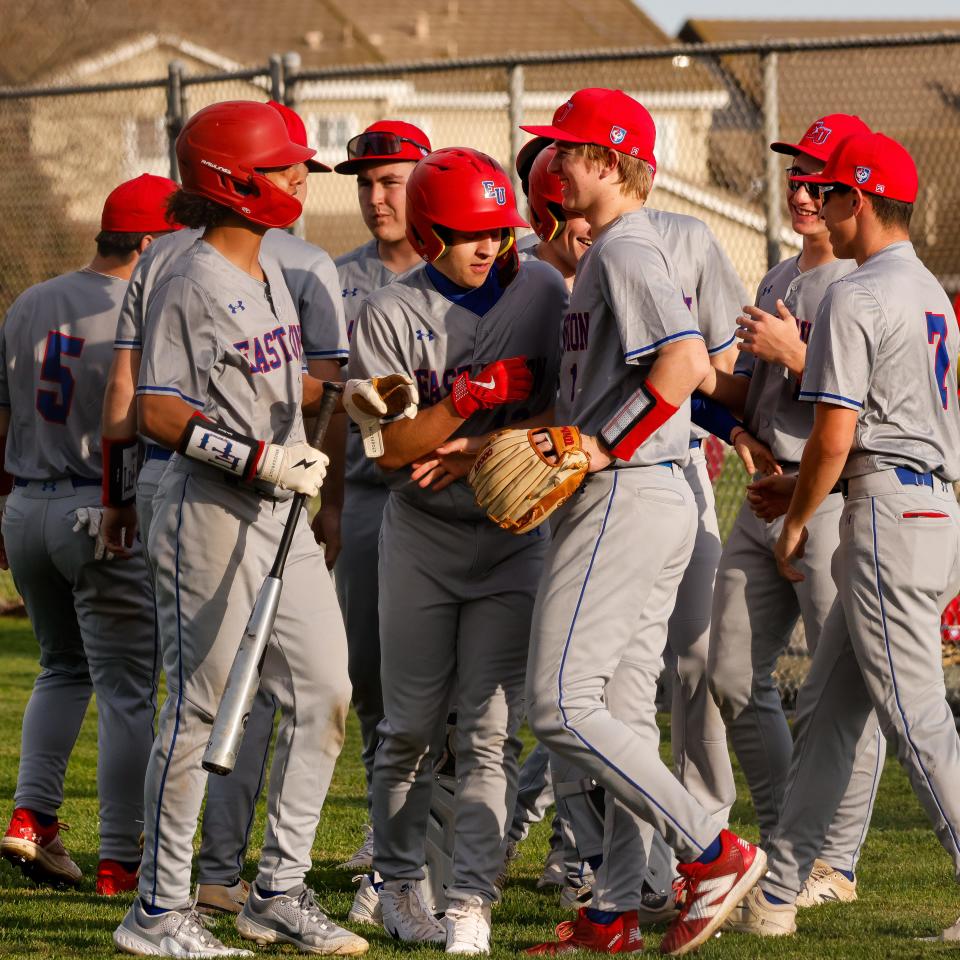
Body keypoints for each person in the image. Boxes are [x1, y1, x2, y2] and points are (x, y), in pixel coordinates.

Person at [112, 99, 414, 958]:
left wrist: (347, 401)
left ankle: (277, 890)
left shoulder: (271, 270)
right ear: (230, 180)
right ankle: (160, 911)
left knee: (325, 692)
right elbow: (159, 412)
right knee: (201, 710)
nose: (295, 179)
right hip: (205, 504)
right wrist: (256, 461)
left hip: (279, 506)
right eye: (281, 167)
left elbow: (285, 387)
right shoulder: (187, 274)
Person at [515, 88, 764, 957]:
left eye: (569, 151)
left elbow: (687, 360)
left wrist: (596, 446)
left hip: (626, 489)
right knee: (617, 706)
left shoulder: (624, 244)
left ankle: (711, 849)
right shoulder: (606, 253)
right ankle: (617, 905)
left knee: (558, 705)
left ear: (611, 164)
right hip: (641, 491)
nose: (554, 162)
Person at [730, 132, 960, 943]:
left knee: (915, 714)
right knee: (828, 711)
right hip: (920, 500)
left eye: (828, 192)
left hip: (889, 517)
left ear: (855, 202)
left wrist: (794, 523)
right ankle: (781, 890)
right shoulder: (928, 288)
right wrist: (804, 489)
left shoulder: (860, 295)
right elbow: (881, 434)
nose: (818, 204)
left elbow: (835, 435)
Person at [349, 146, 567, 954]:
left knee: (488, 730)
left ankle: (471, 897)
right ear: (431, 230)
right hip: (423, 537)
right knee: (406, 729)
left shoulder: (542, 288)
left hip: (516, 537)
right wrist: (469, 397)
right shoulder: (387, 314)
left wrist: (500, 437)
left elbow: (572, 412)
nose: (489, 245)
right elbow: (390, 448)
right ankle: (402, 884)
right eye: (470, 233)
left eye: (499, 230)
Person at [702, 113, 884, 906]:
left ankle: (832, 864)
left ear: (848, 189)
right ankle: (784, 846)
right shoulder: (778, 278)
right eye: (795, 174)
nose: (803, 190)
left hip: (835, 496)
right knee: (729, 672)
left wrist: (797, 354)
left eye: (820, 178)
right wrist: (704, 384)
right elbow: (758, 393)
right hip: (767, 494)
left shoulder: (863, 282)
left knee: (845, 689)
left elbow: (874, 407)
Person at [0, 175, 178, 896]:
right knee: (129, 688)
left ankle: (30, 819)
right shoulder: (147, 307)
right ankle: (118, 858)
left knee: (60, 667)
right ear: (147, 241)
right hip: (101, 510)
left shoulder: (32, 300)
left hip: (25, 507)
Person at [331, 120, 432, 876]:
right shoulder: (338, 279)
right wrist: (329, 508)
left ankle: (463, 828)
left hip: (458, 496)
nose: (374, 197)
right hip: (370, 493)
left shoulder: (479, 264)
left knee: (466, 688)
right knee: (369, 675)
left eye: (391, 180)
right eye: (364, 183)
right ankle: (386, 826)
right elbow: (333, 408)